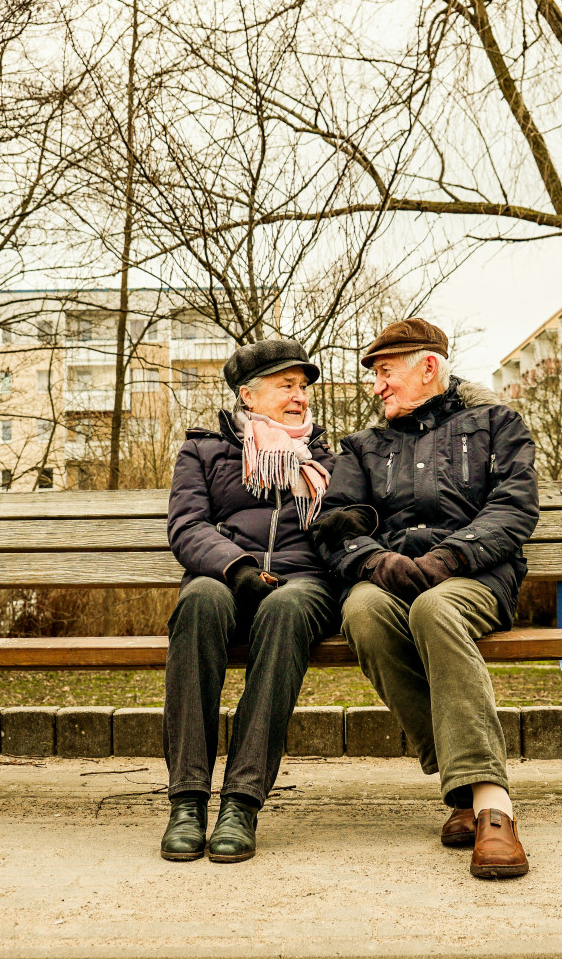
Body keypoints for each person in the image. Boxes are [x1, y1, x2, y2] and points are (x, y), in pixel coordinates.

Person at [309, 318, 539, 879]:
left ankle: (491, 808)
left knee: (434, 609)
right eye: (374, 376)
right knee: (361, 610)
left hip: (475, 577)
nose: (377, 386)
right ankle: (464, 787)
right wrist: (374, 561)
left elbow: (512, 510)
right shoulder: (363, 448)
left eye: (386, 372)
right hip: (394, 577)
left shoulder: (497, 425)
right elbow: (338, 523)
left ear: (428, 366)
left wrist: (448, 558)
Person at [161, 338, 338, 864]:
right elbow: (186, 525)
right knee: (199, 602)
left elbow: (348, 524)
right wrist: (236, 567)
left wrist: (349, 522)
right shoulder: (203, 450)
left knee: (285, 609)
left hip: (302, 584)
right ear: (248, 394)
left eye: (303, 387)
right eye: (287, 386)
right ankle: (187, 800)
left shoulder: (328, 457)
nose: (300, 397)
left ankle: (241, 801)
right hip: (227, 576)